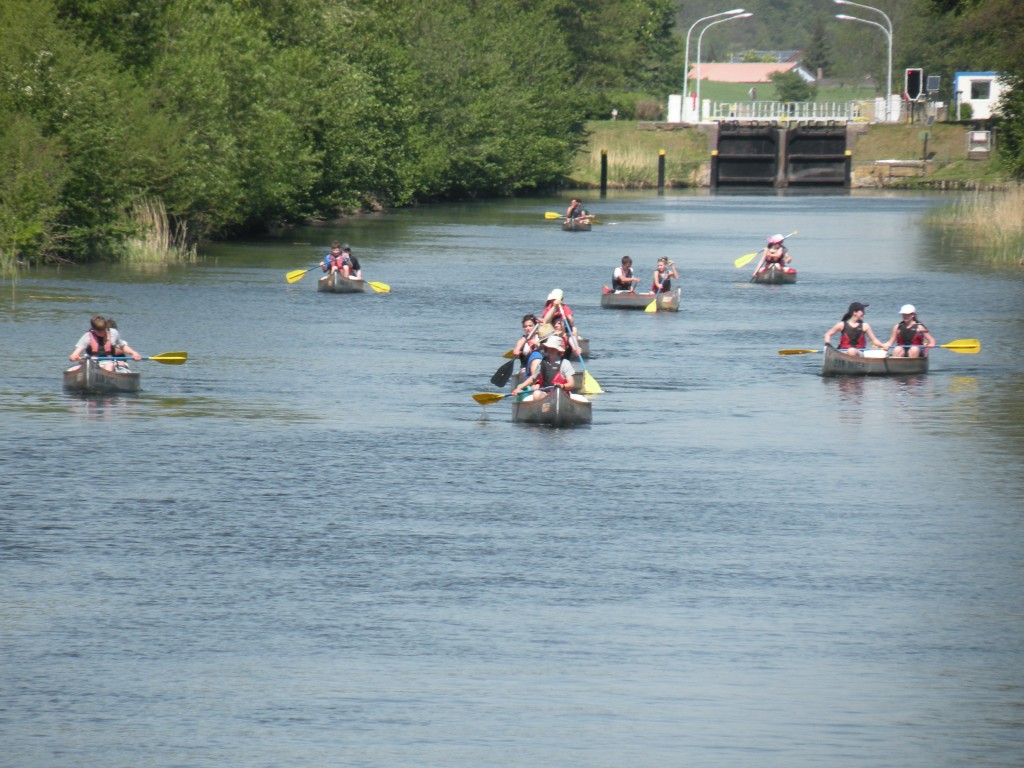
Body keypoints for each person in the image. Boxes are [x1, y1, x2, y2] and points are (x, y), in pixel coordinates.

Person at [511, 334, 576, 401]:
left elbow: (571, 384)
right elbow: (533, 379)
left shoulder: (565, 363)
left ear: (558, 350)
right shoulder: (542, 363)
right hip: (545, 394)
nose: (551, 350)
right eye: (549, 348)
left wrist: (562, 386)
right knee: (536, 394)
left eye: (553, 348)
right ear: (546, 348)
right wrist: (519, 388)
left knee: (557, 393)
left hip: (561, 394)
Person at [70, 315, 141, 371]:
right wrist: (73, 356)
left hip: (108, 362)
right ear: (93, 329)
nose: (102, 333)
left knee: (109, 366)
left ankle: (106, 380)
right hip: (92, 362)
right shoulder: (87, 336)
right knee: (73, 369)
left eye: (103, 330)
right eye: (99, 331)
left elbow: (123, 346)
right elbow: (76, 353)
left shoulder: (113, 333)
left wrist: (134, 353)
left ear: (106, 327)